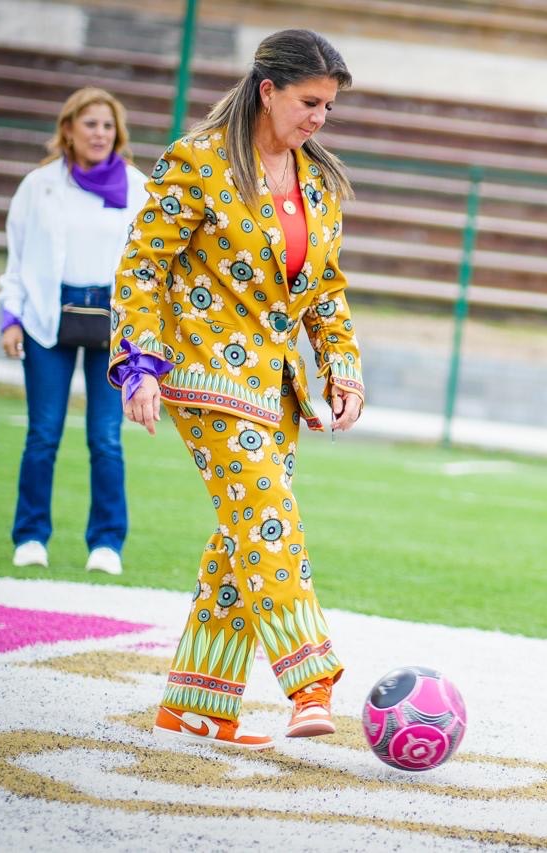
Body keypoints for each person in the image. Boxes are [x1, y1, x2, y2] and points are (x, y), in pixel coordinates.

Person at [110, 29, 364, 751]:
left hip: (275, 391)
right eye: (310, 102)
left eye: (328, 108)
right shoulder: (197, 162)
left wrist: (342, 367)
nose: (319, 118)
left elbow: (326, 291)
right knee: (269, 522)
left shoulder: (319, 182)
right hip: (203, 375)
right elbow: (142, 266)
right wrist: (139, 360)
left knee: (240, 536)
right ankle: (308, 677)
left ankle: (198, 703)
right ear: (268, 91)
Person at [0, 88, 149, 576]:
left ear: (118, 133)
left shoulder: (137, 187)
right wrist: (11, 316)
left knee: (106, 437)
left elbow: (149, 264)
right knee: (42, 434)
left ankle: (106, 544)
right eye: (90, 124)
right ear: (68, 129)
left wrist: (144, 338)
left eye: (108, 126)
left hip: (113, 327)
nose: (99, 134)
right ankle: (31, 536)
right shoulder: (38, 186)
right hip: (47, 318)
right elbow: (17, 258)